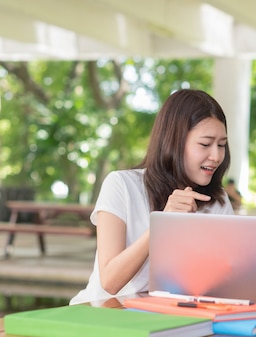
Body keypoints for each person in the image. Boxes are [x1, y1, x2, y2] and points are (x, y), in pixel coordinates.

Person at [70, 89, 233, 305]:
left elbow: (225, 280)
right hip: (105, 313)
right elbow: (110, 282)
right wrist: (162, 222)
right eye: (205, 144)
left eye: (221, 145)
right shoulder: (122, 185)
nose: (216, 156)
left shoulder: (217, 201)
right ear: (174, 141)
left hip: (169, 315)